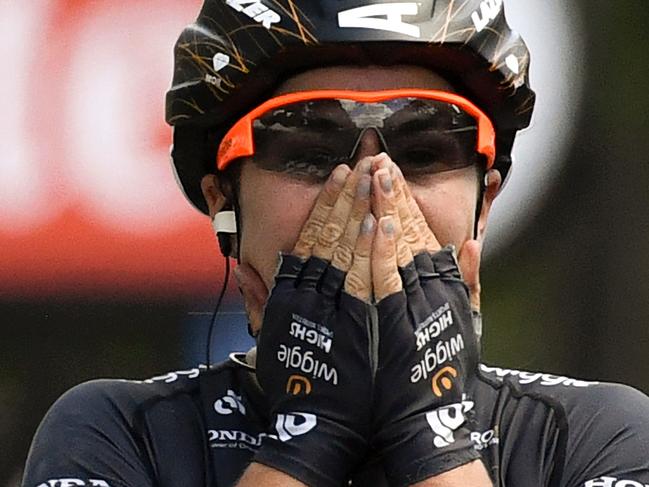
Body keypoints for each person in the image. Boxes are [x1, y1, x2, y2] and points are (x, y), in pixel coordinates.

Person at [22, 1, 649, 486]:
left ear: (483, 207)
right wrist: (307, 438)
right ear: (225, 206)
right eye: (309, 150)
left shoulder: (596, 434)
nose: (374, 189)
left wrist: (432, 437)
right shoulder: (118, 432)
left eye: (425, 147)